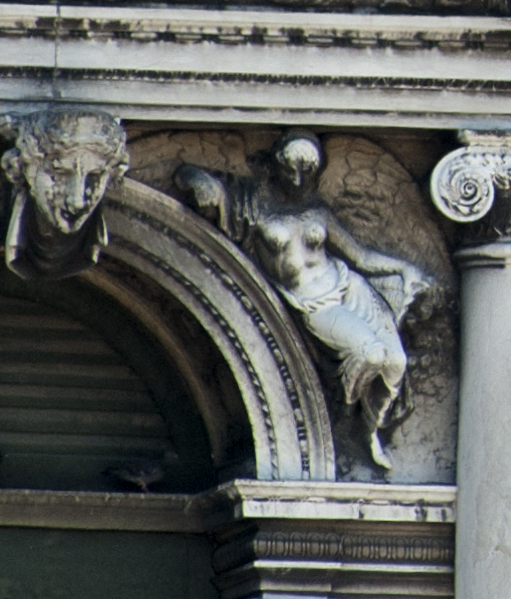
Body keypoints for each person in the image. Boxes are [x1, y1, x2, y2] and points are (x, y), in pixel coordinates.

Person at [178, 133, 432, 469]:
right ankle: (344, 414)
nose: (298, 179)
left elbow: (361, 256)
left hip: (351, 289)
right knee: (370, 355)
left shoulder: (318, 212)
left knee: (396, 363)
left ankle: (369, 431)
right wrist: (199, 182)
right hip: (314, 304)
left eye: (307, 171)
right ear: (276, 166)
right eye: (291, 169)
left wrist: (406, 268)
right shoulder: (253, 204)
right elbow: (188, 174)